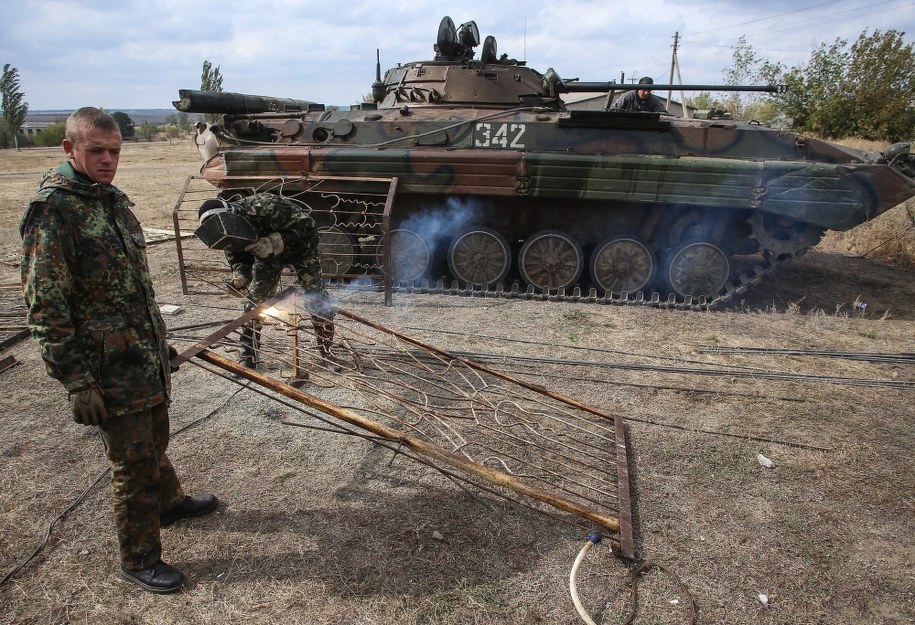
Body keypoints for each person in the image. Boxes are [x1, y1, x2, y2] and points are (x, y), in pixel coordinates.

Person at [20, 107, 218, 594]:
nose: (108, 160)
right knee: (132, 464)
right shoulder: (54, 211)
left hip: (142, 357)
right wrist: (77, 381)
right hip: (105, 369)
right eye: (96, 151)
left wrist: (159, 343)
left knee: (155, 440)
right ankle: (139, 558)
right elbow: (46, 308)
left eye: (114, 151)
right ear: (70, 149)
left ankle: (168, 503)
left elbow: (132, 289)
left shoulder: (110, 201)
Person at [195, 193, 337, 370]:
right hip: (267, 258)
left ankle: (327, 352)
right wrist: (240, 277)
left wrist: (274, 242)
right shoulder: (226, 232)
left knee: (318, 300)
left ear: (232, 215)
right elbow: (239, 259)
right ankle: (249, 358)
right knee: (254, 305)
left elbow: (309, 228)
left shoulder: (263, 207)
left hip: (302, 251)